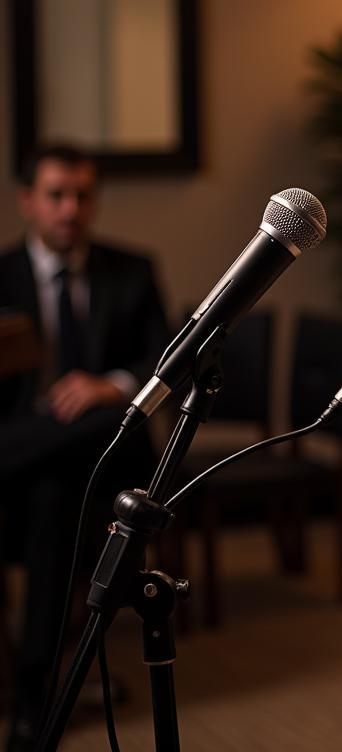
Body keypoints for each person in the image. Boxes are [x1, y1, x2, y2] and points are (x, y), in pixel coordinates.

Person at [0, 144, 169, 752]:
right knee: (50, 494)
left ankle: (31, 699)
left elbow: (165, 367)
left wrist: (108, 387)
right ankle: (39, 694)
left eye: (82, 195)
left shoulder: (133, 270)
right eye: (56, 195)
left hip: (110, 460)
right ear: (28, 200)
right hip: (23, 479)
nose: (71, 209)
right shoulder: (2, 276)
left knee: (79, 459)